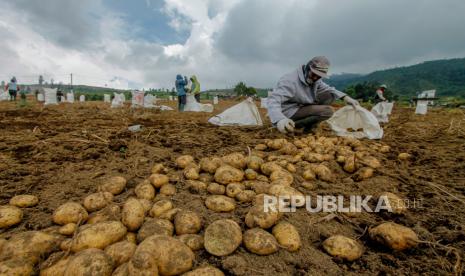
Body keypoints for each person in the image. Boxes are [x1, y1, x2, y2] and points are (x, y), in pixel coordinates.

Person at [267, 56, 359, 133]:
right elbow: (273, 100)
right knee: (327, 111)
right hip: (288, 111)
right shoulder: (290, 81)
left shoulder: (315, 79)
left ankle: (306, 126)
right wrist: (279, 119)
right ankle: (291, 126)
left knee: (328, 94)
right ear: (308, 68)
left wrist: (345, 97)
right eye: (313, 74)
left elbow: (328, 88)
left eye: (318, 76)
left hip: (300, 106)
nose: (315, 78)